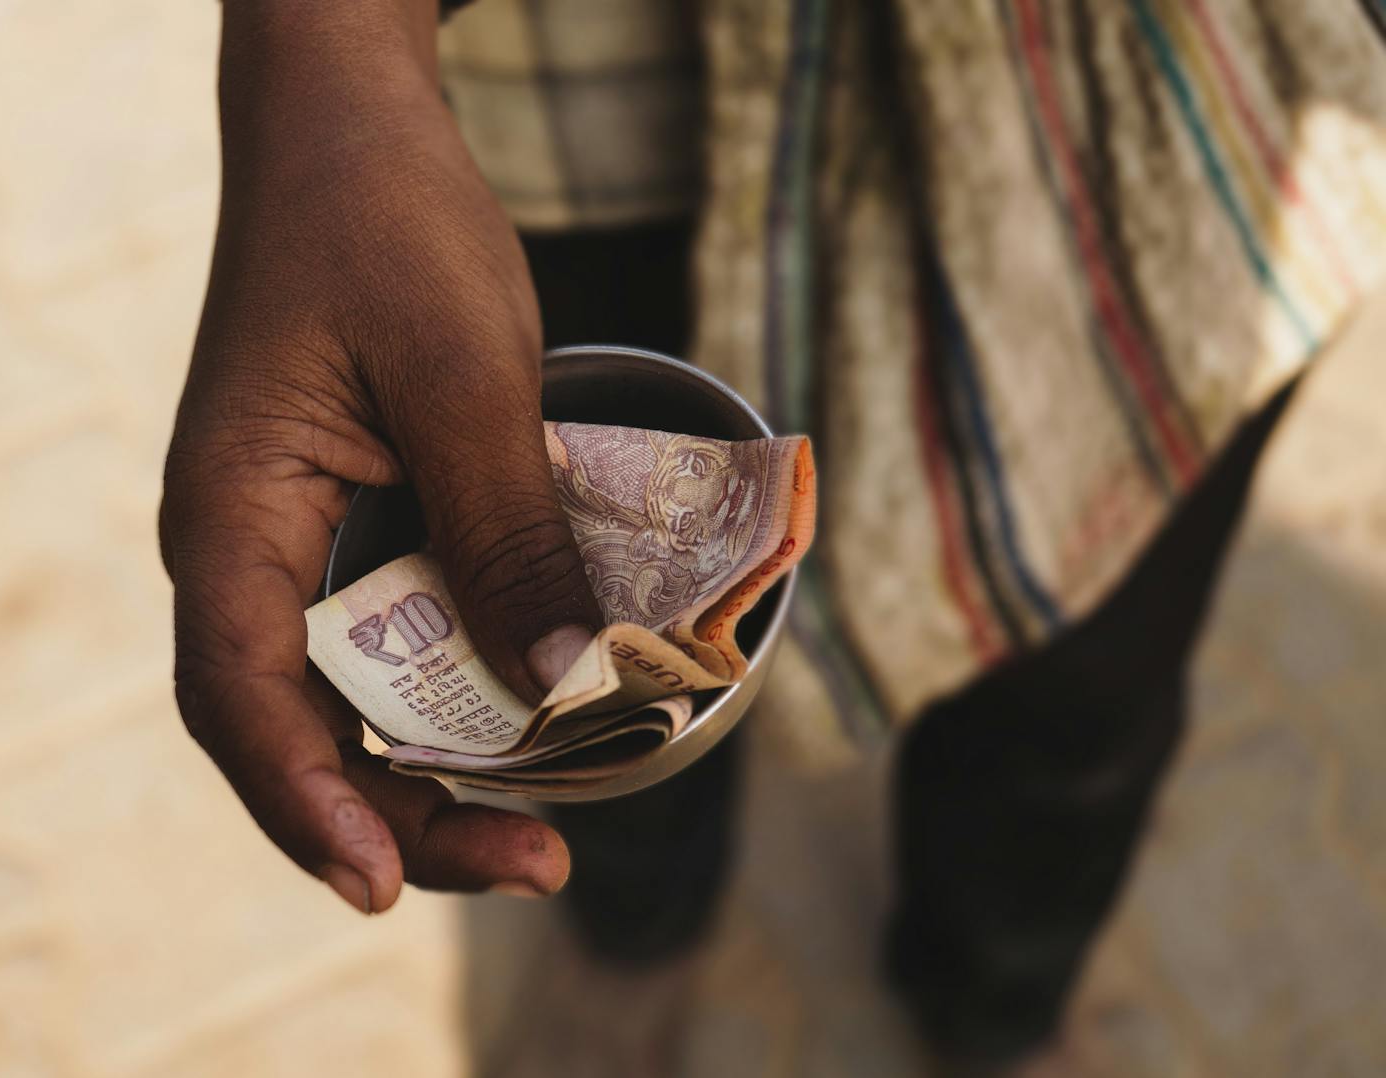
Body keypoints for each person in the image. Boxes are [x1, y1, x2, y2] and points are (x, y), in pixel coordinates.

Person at [159, 0, 1386, 1066]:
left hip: (1134, 97)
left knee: (1091, 675)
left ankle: (998, 1000)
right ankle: (637, 934)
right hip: (575, 91)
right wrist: (327, 52)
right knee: (593, 697)